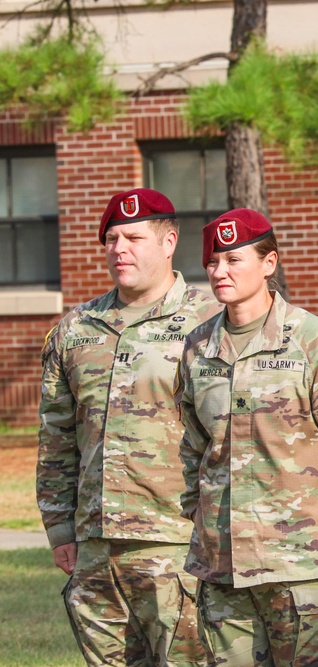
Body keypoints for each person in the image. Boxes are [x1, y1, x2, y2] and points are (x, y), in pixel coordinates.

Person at [175, 208, 318, 665]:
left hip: (301, 565)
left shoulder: (316, 343)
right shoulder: (197, 348)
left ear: (269, 264)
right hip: (223, 569)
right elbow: (194, 448)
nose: (219, 272)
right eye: (214, 261)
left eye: (234, 260)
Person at [37, 188, 219, 666]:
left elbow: (236, 438)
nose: (120, 249)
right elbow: (57, 439)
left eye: (134, 237)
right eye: (112, 238)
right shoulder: (76, 329)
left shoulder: (212, 325)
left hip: (179, 544)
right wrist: (60, 528)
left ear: (168, 242)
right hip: (94, 548)